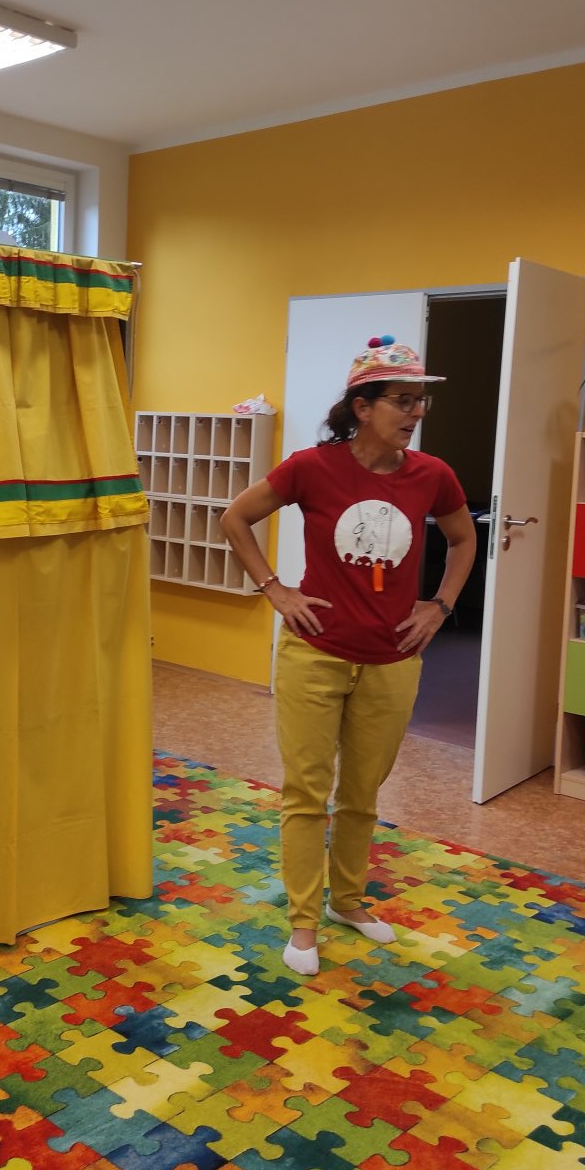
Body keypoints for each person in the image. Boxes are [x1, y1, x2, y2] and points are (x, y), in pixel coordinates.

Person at [220, 337, 476, 977]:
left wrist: (439, 605)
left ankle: (348, 902)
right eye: (402, 401)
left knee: (362, 793)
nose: (416, 412)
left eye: (420, 401)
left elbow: (463, 537)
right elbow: (236, 519)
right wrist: (275, 589)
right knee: (307, 793)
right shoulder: (311, 467)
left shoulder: (433, 475)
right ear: (362, 407)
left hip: (394, 659)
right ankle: (304, 922)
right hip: (314, 653)